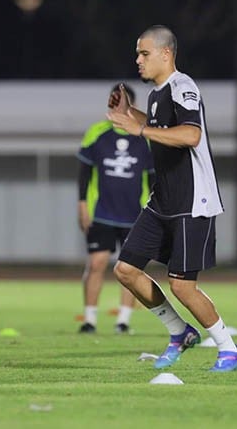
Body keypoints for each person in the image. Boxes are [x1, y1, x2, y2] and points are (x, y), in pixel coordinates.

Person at [107, 25, 237, 372]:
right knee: (125, 270)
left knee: (183, 286)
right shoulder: (156, 94)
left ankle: (229, 350)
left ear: (166, 54)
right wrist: (130, 116)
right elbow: (158, 127)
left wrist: (140, 129)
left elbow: (191, 134)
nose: (138, 60)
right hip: (163, 201)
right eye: (137, 53)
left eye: (144, 53)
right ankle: (179, 332)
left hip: (191, 201)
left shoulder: (183, 87)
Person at [77, 84, 154, 334]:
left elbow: (154, 179)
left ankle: (124, 321)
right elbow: (84, 173)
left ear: (132, 107)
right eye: (114, 102)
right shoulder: (97, 133)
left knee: (129, 270)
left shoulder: (145, 138)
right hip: (102, 212)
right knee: (97, 263)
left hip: (135, 215)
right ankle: (89, 320)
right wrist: (82, 206)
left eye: (123, 103)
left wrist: (155, 213)